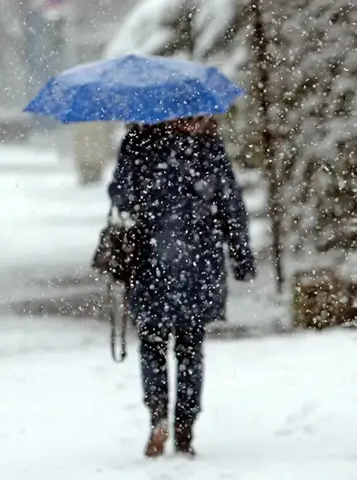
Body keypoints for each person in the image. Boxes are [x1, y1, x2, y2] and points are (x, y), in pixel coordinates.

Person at [108, 116, 255, 458]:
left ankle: (158, 414)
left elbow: (122, 197)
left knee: (152, 344)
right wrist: (240, 255)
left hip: (151, 258)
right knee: (190, 346)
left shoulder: (138, 143)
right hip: (198, 259)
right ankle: (186, 423)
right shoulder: (207, 145)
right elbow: (231, 204)